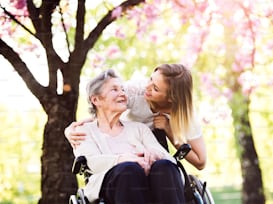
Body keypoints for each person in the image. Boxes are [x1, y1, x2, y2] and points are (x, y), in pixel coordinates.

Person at [66, 63, 207, 170]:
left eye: (155, 89)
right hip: (122, 143)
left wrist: (169, 130)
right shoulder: (136, 90)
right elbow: (103, 108)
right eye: (150, 79)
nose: (147, 87)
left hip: (152, 147)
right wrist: (73, 130)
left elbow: (200, 162)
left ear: (171, 98)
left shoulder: (185, 116)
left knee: (165, 166)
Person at [74, 69, 185, 203]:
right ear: (96, 99)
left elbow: (170, 161)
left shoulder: (139, 128)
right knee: (129, 169)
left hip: (149, 184)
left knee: (164, 166)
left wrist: (155, 154)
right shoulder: (83, 132)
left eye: (122, 89)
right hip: (112, 187)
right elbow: (91, 162)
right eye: (114, 90)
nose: (122, 93)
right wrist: (123, 159)